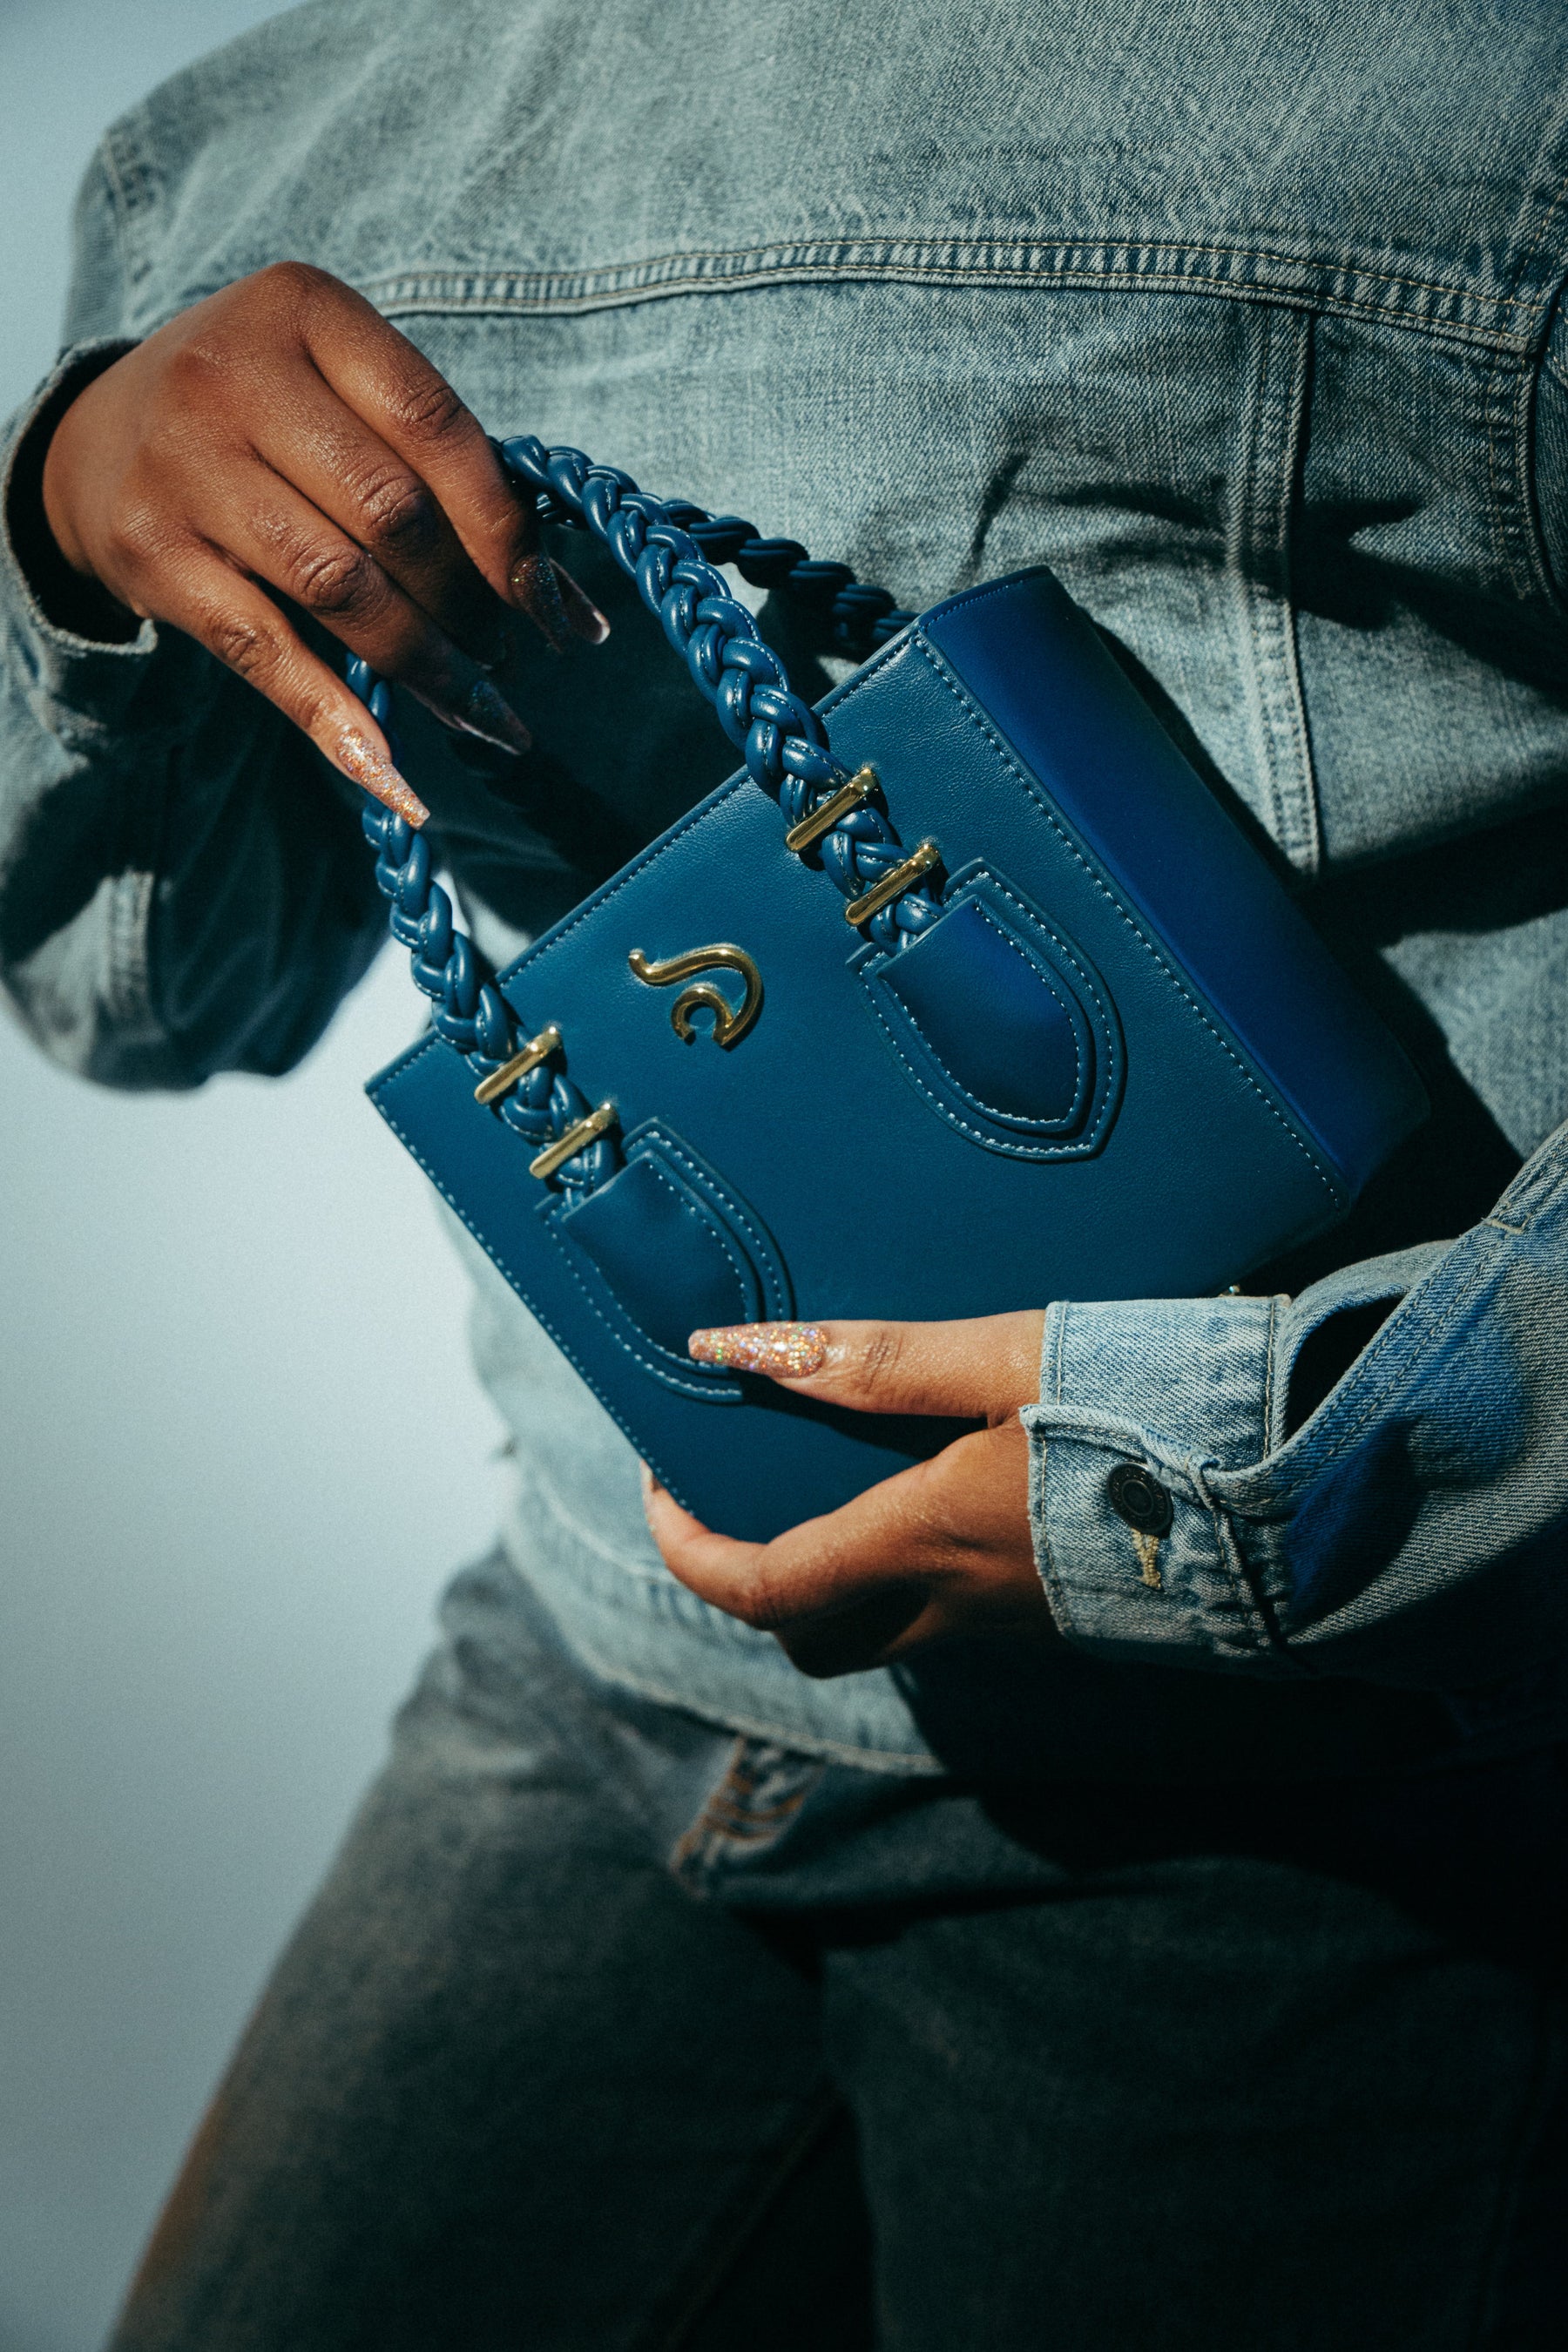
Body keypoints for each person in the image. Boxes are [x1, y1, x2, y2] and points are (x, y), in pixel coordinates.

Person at [3, 2, 1566, 2343]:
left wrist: (1298, 1464)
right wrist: (68, 521)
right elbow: (139, 994)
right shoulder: (249, 144)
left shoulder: (1484, 84)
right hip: (596, 1654)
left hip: (1323, 1777)